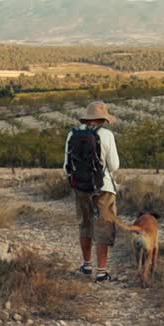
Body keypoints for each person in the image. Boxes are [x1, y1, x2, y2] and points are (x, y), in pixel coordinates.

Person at [63, 100, 120, 282]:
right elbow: (115, 165)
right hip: (103, 187)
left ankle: (86, 265)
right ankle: (102, 272)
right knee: (103, 226)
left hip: (81, 187)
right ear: (102, 119)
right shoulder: (106, 135)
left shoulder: (72, 134)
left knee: (85, 224)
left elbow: (66, 167)